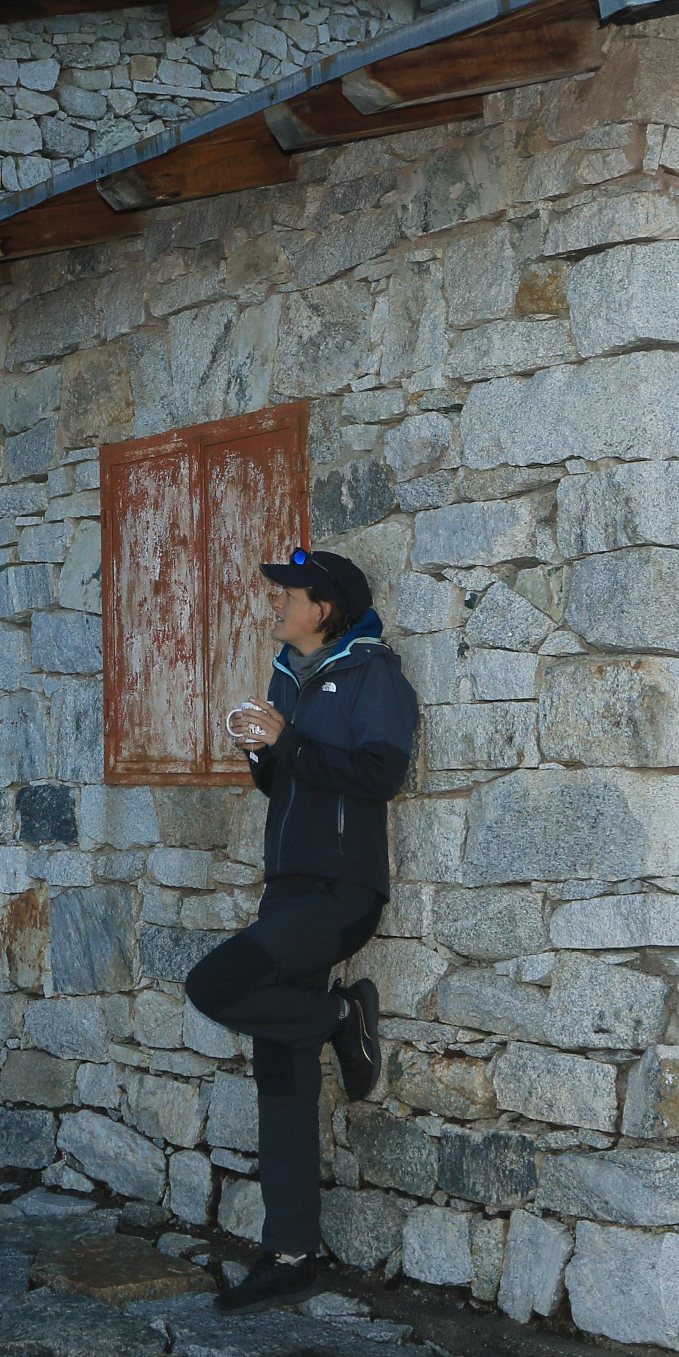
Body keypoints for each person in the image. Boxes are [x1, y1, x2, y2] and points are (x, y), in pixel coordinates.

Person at [185, 547, 418, 1313]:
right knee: (280, 1076)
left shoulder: (371, 674)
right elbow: (290, 779)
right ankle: (290, 1255)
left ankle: (338, 1016)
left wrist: (291, 743)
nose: (275, 603)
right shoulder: (291, 675)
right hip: (288, 889)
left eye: (287, 593)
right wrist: (264, 754)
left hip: (340, 889)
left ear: (323, 607)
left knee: (213, 984)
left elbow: (380, 775)